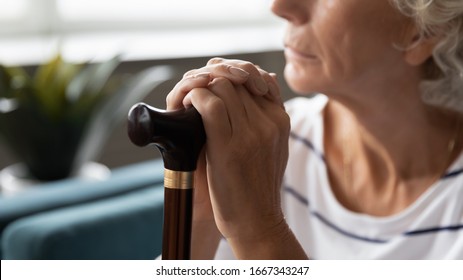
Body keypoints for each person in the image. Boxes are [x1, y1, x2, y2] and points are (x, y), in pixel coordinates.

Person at [165, 0, 463, 259]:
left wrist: (258, 228)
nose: (279, 6)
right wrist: (196, 214)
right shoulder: (261, 146)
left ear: (424, 32)